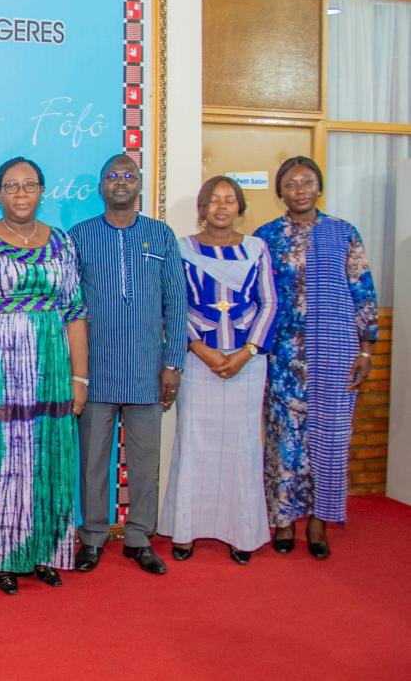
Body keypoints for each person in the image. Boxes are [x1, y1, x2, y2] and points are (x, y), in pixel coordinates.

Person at [0, 156, 89, 595]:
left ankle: (45, 550)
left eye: (30, 184)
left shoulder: (62, 244)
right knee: (1, 464)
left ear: (43, 191)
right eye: (11, 185)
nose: (21, 192)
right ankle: (0, 555)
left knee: (48, 462)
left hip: (51, 375)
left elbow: (75, 314)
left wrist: (79, 380)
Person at [255, 156, 378, 559]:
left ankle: (319, 522)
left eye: (307, 182)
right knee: (284, 442)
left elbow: (363, 289)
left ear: (319, 187)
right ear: (280, 193)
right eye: (291, 184)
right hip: (284, 356)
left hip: (336, 353)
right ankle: (284, 521)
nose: (300, 190)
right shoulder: (266, 237)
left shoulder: (343, 233)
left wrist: (366, 348)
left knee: (330, 439)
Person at [68, 153, 185, 575]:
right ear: (101, 187)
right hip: (95, 371)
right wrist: (74, 371)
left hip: (146, 371)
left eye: (128, 175)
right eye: (111, 175)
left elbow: (177, 303)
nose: (120, 181)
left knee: (144, 460)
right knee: (93, 461)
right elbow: (69, 308)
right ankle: (93, 537)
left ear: (139, 185)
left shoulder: (161, 236)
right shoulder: (79, 236)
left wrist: (173, 363)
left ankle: (138, 536)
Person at [158, 176, 277, 565]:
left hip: (247, 360)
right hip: (198, 358)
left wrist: (245, 352)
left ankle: (241, 533)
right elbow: (175, 302)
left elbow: (269, 304)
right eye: (213, 200)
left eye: (229, 200)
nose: (221, 207)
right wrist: (200, 349)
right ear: (202, 208)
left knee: (242, 445)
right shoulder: (182, 249)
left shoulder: (257, 249)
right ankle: (187, 530)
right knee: (196, 443)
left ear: (240, 207)